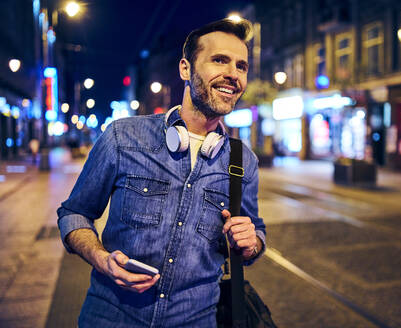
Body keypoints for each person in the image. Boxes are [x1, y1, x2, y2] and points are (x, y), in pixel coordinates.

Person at [57, 18, 266, 328]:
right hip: (111, 318)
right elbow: (73, 213)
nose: (233, 74)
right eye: (219, 60)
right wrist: (102, 260)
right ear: (185, 69)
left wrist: (252, 243)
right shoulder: (122, 138)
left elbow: (256, 231)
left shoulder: (242, 160)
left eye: (242, 65)